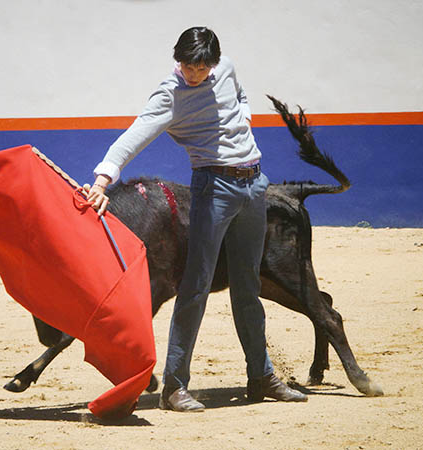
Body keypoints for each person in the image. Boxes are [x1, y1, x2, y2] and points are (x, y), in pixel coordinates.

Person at [86, 26, 307, 412]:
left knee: (248, 285)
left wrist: (244, 119)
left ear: (214, 64)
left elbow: (240, 94)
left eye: (201, 68)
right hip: (213, 187)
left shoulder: (227, 69)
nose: (193, 74)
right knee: (196, 287)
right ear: (178, 60)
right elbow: (135, 135)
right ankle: (174, 387)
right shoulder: (169, 94)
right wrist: (103, 178)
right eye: (187, 66)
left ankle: (261, 377)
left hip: (254, 184)